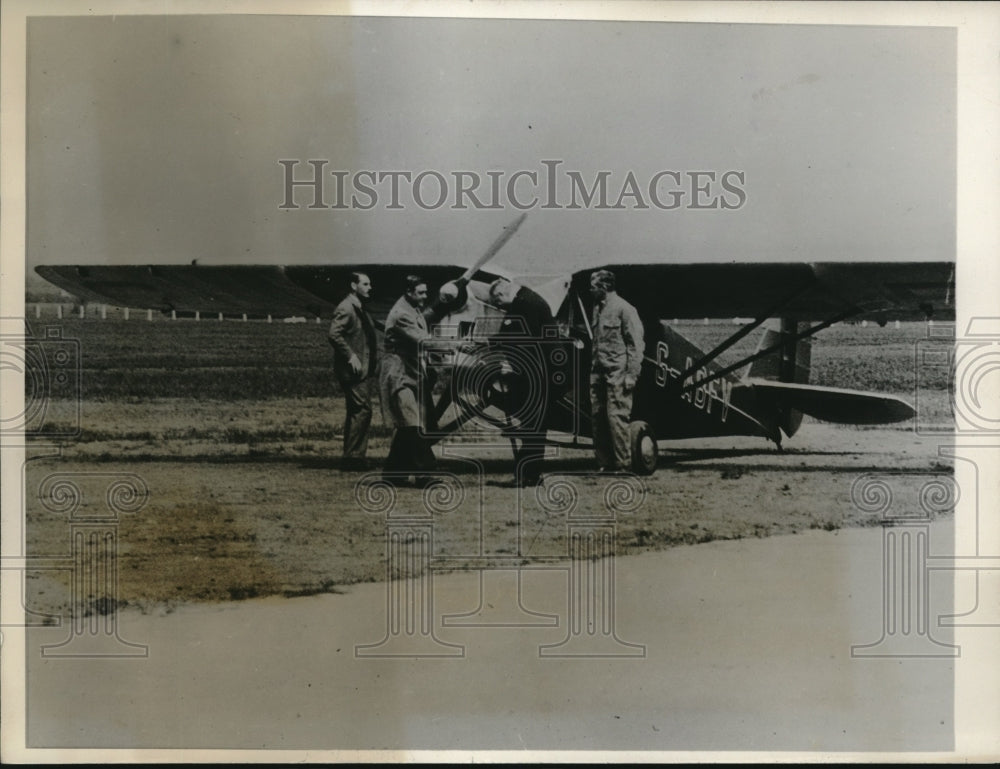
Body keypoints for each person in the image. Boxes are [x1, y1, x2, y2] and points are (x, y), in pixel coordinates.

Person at [488, 278, 558, 486]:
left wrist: (511, 367)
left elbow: (523, 340)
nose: (499, 307)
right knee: (532, 425)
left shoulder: (524, 304)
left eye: (498, 303)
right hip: (540, 371)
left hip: (537, 372)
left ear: (501, 294)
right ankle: (529, 475)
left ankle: (527, 476)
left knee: (532, 425)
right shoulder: (526, 299)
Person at [380, 275, 442, 487]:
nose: (425, 297)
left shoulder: (412, 308)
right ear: (409, 292)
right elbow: (423, 340)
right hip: (398, 373)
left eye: (426, 292)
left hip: (411, 372)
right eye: (421, 293)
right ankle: (425, 474)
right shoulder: (401, 315)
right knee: (413, 423)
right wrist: (458, 346)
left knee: (409, 423)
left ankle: (393, 473)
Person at [589, 269, 644, 472]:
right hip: (598, 371)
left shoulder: (625, 309)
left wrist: (631, 376)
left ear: (604, 287)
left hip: (617, 373)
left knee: (617, 418)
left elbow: (636, 345)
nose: (590, 290)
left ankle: (623, 464)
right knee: (598, 417)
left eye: (593, 287)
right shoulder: (597, 308)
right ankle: (604, 463)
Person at [328, 272, 378, 470]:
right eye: (365, 284)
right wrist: (350, 355)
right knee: (362, 409)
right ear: (353, 285)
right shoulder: (347, 308)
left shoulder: (358, 307)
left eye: (369, 284)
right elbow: (334, 334)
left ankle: (352, 456)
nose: (369, 287)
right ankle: (353, 458)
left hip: (362, 370)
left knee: (358, 410)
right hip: (353, 371)